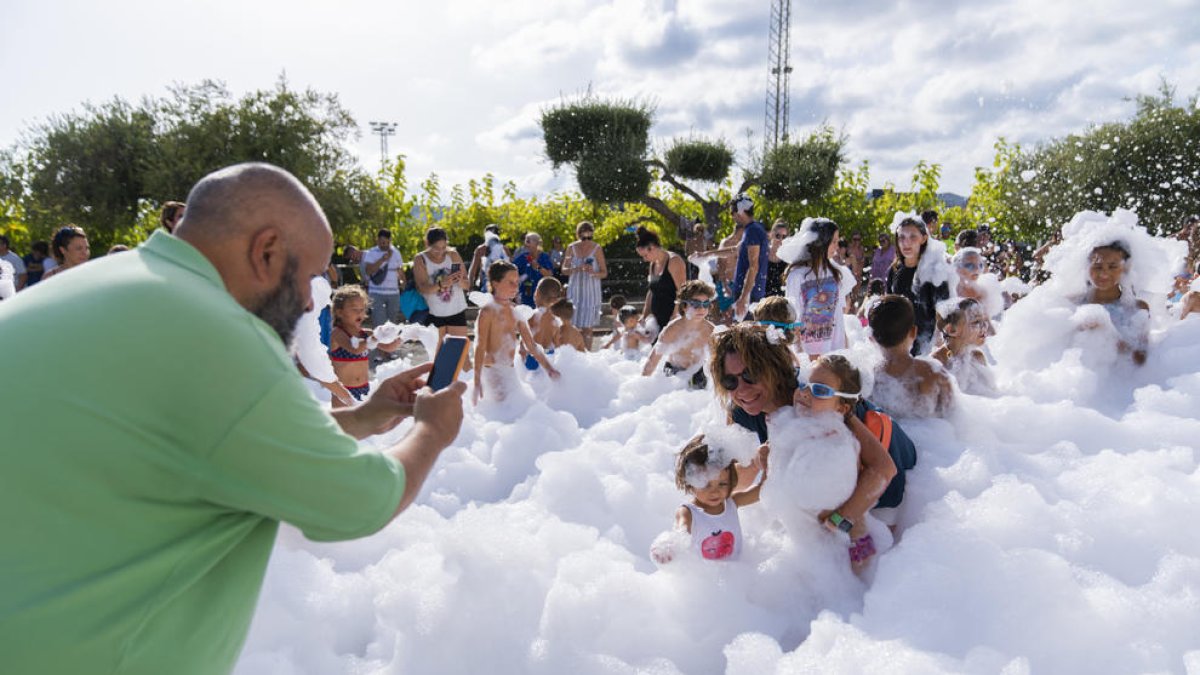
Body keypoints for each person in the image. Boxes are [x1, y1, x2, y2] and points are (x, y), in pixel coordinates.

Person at [0, 163, 466, 674]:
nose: (313, 300)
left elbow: (197, 441)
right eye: (310, 276)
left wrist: (360, 417)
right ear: (266, 251)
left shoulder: (96, 285)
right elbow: (360, 502)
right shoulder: (219, 334)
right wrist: (432, 430)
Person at [709, 323, 897, 535]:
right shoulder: (741, 411)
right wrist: (710, 497)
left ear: (773, 368)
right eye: (729, 380)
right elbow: (740, 475)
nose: (741, 389)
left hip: (886, 485)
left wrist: (841, 520)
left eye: (750, 375)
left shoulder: (815, 396)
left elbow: (884, 469)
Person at [794, 354, 917, 571]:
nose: (805, 394)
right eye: (804, 384)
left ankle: (863, 579)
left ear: (842, 408)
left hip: (897, 478)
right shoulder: (813, 415)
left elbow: (886, 476)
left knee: (858, 522)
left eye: (820, 391)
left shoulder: (854, 440)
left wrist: (839, 519)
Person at [650, 435, 768, 563]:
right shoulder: (688, 512)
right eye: (705, 484)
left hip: (736, 572)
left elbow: (761, 491)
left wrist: (767, 463)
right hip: (705, 578)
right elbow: (682, 530)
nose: (715, 491)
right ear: (690, 483)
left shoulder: (731, 503)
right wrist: (670, 546)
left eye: (722, 484)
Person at [473, 260, 560, 404]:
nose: (516, 287)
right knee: (506, 413)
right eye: (510, 282)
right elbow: (480, 346)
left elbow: (532, 346)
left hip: (510, 373)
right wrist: (477, 381)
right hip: (492, 372)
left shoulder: (516, 313)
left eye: (517, 282)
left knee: (525, 410)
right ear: (495, 284)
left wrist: (549, 369)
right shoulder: (488, 311)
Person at [867, 294, 955, 418]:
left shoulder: (868, 378)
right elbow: (954, 420)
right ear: (913, 332)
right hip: (931, 435)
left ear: (871, 338)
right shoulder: (934, 374)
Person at [784, 217, 856, 359]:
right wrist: (800, 355)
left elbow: (839, 315)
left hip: (836, 348)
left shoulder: (836, 272)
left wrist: (846, 349)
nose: (837, 246)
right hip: (808, 351)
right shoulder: (797, 275)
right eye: (834, 241)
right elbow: (793, 319)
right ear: (821, 242)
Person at [886, 216, 951, 356]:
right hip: (899, 343)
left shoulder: (935, 272)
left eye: (912, 237)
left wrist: (938, 345)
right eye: (901, 237)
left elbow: (944, 311)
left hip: (926, 345)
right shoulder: (894, 270)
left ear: (924, 238)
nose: (906, 242)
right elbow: (888, 307)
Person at [1077, 241, 1149, 365]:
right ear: (1087, 268)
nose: (1104, 273)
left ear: (1125, 269)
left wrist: (1108, 336)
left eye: (1112, 266)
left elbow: (1141, 361)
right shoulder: (1074, 305)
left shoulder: (1137, 309)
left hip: (1118, 379)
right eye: (1098, 266)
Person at [328, 285, 401, 406]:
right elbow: (355, 349)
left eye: (362, 309)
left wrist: (403, 336)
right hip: (343, 391)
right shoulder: (337, 333)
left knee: (363, 424)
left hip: (364, 389)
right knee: (344, 424)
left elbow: (389, 347)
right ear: (339, 312)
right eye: (355, 309)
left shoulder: (365, 333)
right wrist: (375, 338)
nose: (360, 313)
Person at [641, 280, 716, 388]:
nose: (702, 308)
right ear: (684, 306)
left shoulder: (710, 330)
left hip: (698, 373)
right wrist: (642, 387)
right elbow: (652, 361)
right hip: (674, 374)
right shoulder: (673, 330)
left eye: (706, 304)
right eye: (695, 304)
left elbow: (719, 362)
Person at [412, 227, 470, 348]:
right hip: (434, 314)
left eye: (443, 248)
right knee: (438, 357)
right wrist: (440, 284)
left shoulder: (453, 255)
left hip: (456, 311)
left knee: (460, 356)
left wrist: (459, 281)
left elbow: (467, 285)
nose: (440, 252)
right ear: (427, 244)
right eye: (436, 249)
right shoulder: (420, 259)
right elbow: (422, 288)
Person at [931, 297, 997, 396]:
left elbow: (992, 396)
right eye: (976, 322)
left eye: (984, 320)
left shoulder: (977, 357)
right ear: (952, 330)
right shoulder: (936, 364)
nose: (984, 326)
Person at [563, 221, 606, 348]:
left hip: (591, 292)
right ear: (578, 235)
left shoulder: (597, 249)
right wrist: (577, 268)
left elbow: (604, 273)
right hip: (574, 291)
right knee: (572, 326)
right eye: (584, 237)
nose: (586, 240)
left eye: (589, 237)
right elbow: (564, 270)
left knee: (588, 328)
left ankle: (587, 356)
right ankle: (575, 354)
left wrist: (593, 272)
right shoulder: (571, 248)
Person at [636, 225, 686, 335]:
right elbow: (651, 291)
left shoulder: (674, 261)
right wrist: (644, 315)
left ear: (652, 247)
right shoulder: (652, 264)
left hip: (672, 317)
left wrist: (675, 315)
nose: (644, 259)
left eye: (645, 255)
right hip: (656, 320)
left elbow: (683, 291)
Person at [729, 193, 769, 319]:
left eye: (732, 212)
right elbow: (736, 250)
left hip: (749, 295)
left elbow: (753, 266)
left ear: (740, 211)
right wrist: (705, 254)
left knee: (744, 336)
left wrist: (743, 297)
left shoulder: (752, 231)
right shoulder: (754, 229)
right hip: (750, 293)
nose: (732, 216)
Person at [361, 229, 404, 327]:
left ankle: (389, 342)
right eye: (380, 242)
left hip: (393, 293)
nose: (382, 245)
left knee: (392, 323)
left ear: (390, 240)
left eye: (384, 242)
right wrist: (382, 260)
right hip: (376, 293)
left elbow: (400, 270)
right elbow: (368, 271)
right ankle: (380, 342)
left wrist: (403, 284)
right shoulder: (371, 252)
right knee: (379, 323)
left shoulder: (396, 253)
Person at [524, 277, 564, 370]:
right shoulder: (556, 321)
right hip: (549, 357)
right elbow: (558, 347)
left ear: (536, 293)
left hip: (531, 360)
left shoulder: (531, 316)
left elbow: (524, 343)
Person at [513, 232, 554, 307]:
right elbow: (512, 270)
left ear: (537, 243)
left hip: (541, 294)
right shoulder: (523, 257)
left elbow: (550, 274)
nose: (525, 244)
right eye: (525, 241)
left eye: (528, 241)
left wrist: (538, 267)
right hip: (525, 294)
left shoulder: (544, 257)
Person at [467, 224, 511, 292]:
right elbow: (473, 270)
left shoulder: (481, 249)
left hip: (490, 282)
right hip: (498, 282)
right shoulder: (504, 249)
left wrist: (470, 286)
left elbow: (473, 270)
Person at [765, 219, 790, 298]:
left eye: (784, 237)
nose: (780, 240)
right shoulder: (763, 253)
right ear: (772, 234)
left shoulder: (787, 258)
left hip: (780, 300)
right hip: (762, 299)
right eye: (778, 236)